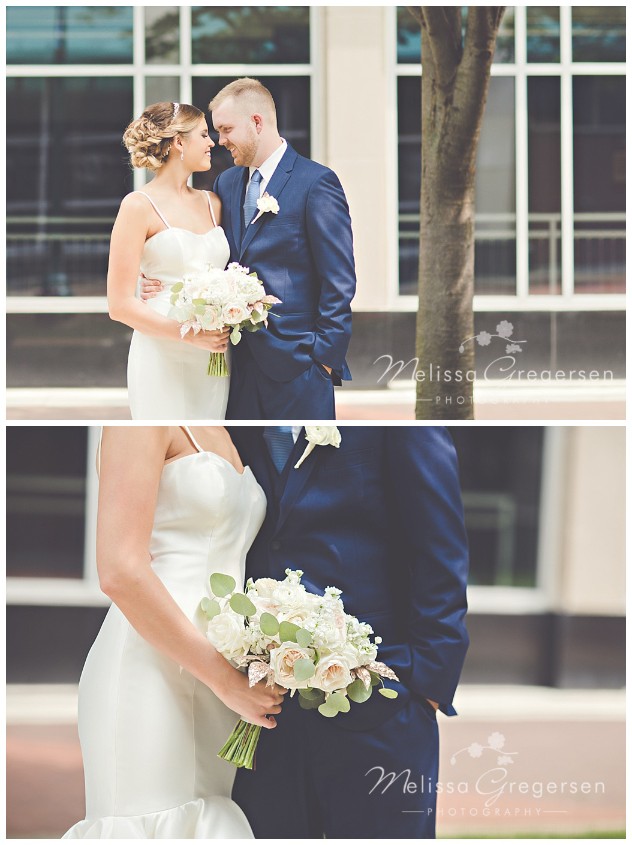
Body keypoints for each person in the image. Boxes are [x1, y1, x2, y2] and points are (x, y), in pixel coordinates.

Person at [228, 425, 470, 839]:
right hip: (261, 715)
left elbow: (441, 553)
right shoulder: (237, 406)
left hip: (381, 702)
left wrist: (425, 686)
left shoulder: (395, 426)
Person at [63, 426, 286, 838]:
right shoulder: (141, 426)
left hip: (218, 668)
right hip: (149, 664)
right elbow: (120, 572)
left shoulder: (224, 420)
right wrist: (226, 682)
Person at [143, 78, 357, 420]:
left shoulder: (316, 183)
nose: (220, 140)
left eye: (226, 129)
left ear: (257, 122)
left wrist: (324, 360)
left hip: (298, 363)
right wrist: (153, 278)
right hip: (232, 364)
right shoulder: (225, 184)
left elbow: (339, 280)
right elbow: (208, 254)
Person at [108, 103, 232, 419]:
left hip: (214, 355)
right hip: (161, 351)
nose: (212, 143)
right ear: (178, 142)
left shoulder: (213, 202)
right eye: (203, 135)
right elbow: (119, 305)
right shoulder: (137, 206)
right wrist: (189, 334)